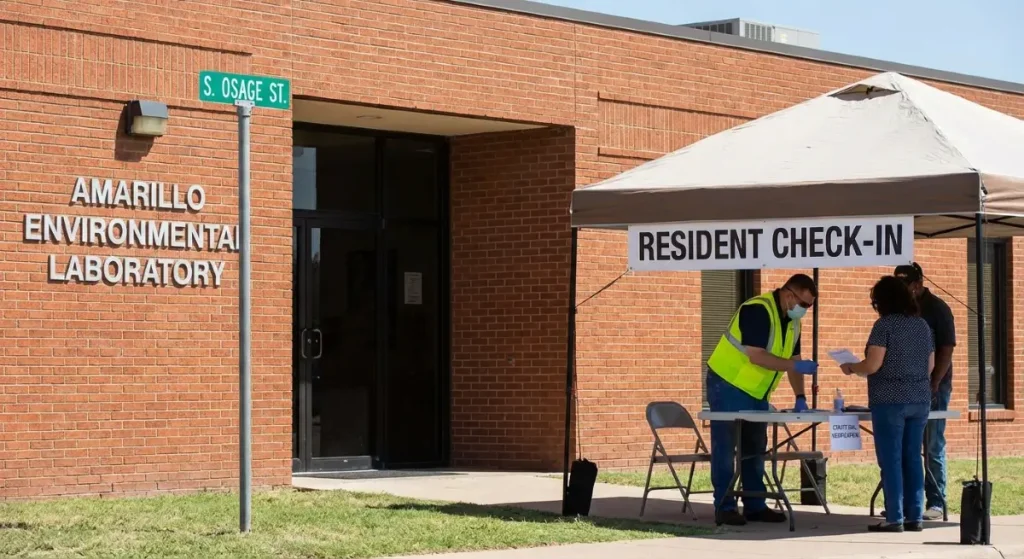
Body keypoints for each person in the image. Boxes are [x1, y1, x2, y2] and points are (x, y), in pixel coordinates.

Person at [706, 273, 819, 526]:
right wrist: (794, 365)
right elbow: (756, 356)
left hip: (756, 392)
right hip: (727, 384)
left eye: (809, 307)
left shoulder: (792, 323)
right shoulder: (757, 309)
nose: (805, 310)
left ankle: (755, 504)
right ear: (789, 295)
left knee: (754, 447)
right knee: (726, 447)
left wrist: (800, 396)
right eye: (804, 305)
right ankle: (724, 506)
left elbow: (795, 363)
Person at [841, 276, 934, 533]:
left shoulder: (883, 326)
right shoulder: (922, 326)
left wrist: (850, 367)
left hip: (889, 400)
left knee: (891, 460)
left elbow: (872, 365)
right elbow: (930, 366)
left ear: (882, 302)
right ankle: (915, 515)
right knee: (913, 458)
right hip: (919, 398)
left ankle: (895, 517)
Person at [894, 262, 956, 520]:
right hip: (904, 386)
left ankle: (936, 500)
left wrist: (935, 382)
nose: (900, 291)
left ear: (917, 284)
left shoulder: (938, 309)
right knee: (906, 444)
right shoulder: (900, 308)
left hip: (934, 385)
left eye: (904, 285)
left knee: (931, 442)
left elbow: (946, 349)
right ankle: (908, 501)